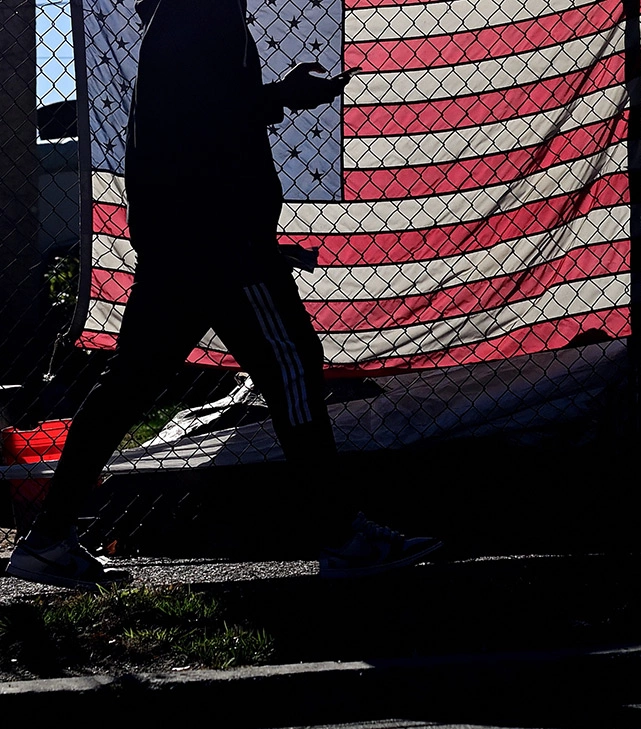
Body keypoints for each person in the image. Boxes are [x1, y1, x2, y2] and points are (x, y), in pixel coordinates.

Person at [5, 0, 441, 589]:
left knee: (131, 385)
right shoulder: (200, 13)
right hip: (219, 243)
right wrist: (280, 98)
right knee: (292, 365)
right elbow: (205, 121)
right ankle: (343, 537)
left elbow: (189, 127)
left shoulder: (182, 18)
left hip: (185, 242)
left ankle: (48, 538)